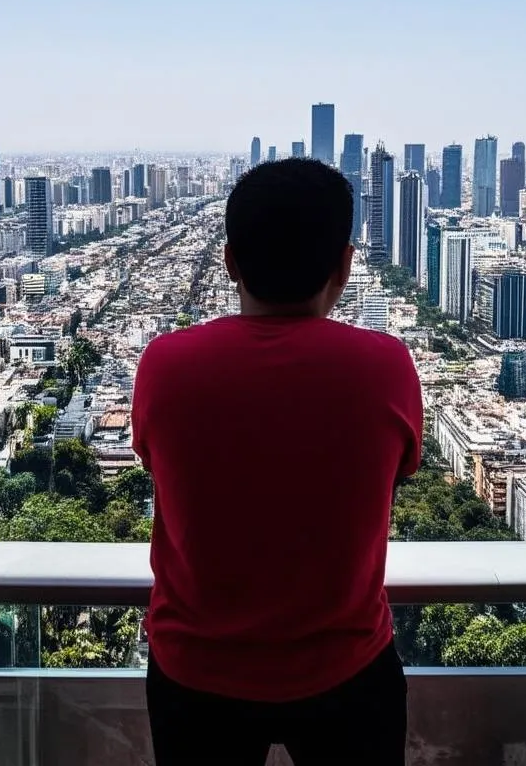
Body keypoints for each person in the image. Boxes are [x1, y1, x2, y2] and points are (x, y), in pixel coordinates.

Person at [132, 157, 424, 765]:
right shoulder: (385, 368)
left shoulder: (166, 366)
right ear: (344, 264)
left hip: (195, 674)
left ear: (230, 261)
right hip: (347, 668)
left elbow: (155, 463)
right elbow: (397, 471)